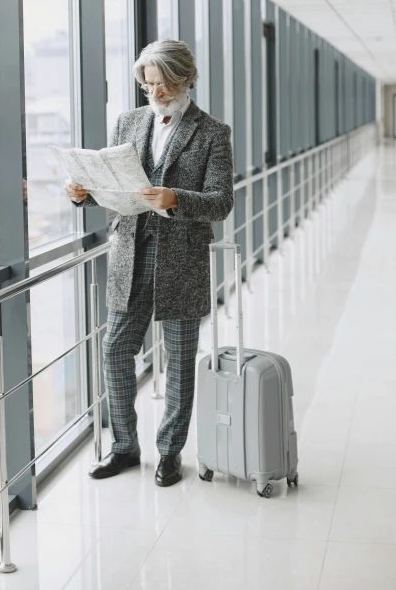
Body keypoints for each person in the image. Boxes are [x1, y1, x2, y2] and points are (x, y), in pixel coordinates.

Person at [66, 39, 233, 487]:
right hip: (130, 254)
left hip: (181, 260)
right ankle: (124, 447)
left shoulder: (213, 132)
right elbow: (115, 184)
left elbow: (221, 203)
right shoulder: (128, 122)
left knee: (178, 363)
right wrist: (86, 193)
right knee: (115, 350)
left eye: (162, 85)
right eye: (147, 86)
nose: (154, 94)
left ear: (184, 79)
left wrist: (176, 197)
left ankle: (170, 453)